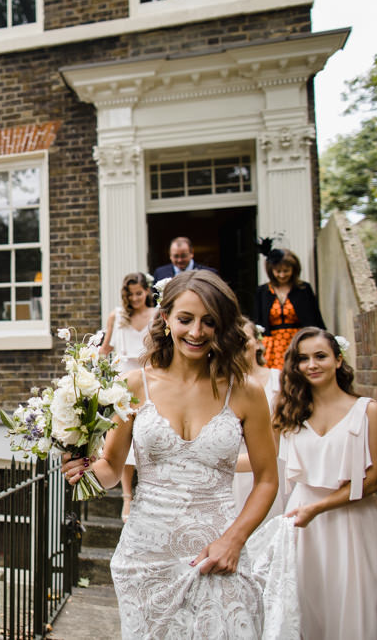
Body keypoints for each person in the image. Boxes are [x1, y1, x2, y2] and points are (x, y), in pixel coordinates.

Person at [64, 270, 279, 638]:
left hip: (217, 553)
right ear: (165, 318)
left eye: (209, 322)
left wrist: (234, 540)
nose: (196, 332)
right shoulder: (135, 385)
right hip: (147, 558)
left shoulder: (246, 392)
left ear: (222, 325)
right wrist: (80, 467)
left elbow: (268, 479)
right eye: (185, 319)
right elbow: (113, 469)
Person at [275, 327, 377, 639]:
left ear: (338, 360)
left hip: (353, 526)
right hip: (304, 528)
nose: (312, 364)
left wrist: (318, 507)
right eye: (303, 359)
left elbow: (373, 482)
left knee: (357, 611)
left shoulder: (368, 411)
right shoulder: (292, 412)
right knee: (306, 610)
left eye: (320, 356)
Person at [99, 272, 156, 522]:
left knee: (146, 435)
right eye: (130, 294)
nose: (135, 298)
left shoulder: (156, 316)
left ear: (147, 292)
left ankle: (149, 492)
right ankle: (127, 498)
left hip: (148, 379)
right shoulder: (117, 316)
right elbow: (106, 348)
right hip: (124, 382)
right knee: (124, 440)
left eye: (139, 293)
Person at [232, 319, 285, 522]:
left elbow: (276, 443)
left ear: (258, 342)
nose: (240, 341)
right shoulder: (220, 387)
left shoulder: (280, 381)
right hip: (234, 478)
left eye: (244, 336)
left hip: (273, 470)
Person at [253, 248, 324, 369]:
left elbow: (314, 319)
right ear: (271, 271)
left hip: (298, 342)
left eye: (286, 270)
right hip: (272, 346)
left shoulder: (303, 289)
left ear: (294, 269)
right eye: (278, 271)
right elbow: (257, 322)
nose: (282, 275)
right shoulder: (262, 291)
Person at [152, 236, 217, 281]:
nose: (180, 260)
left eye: (183, 256)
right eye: (176, 256)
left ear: (191, 253)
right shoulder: (160, 273)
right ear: (170, 255)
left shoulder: (209, 273)